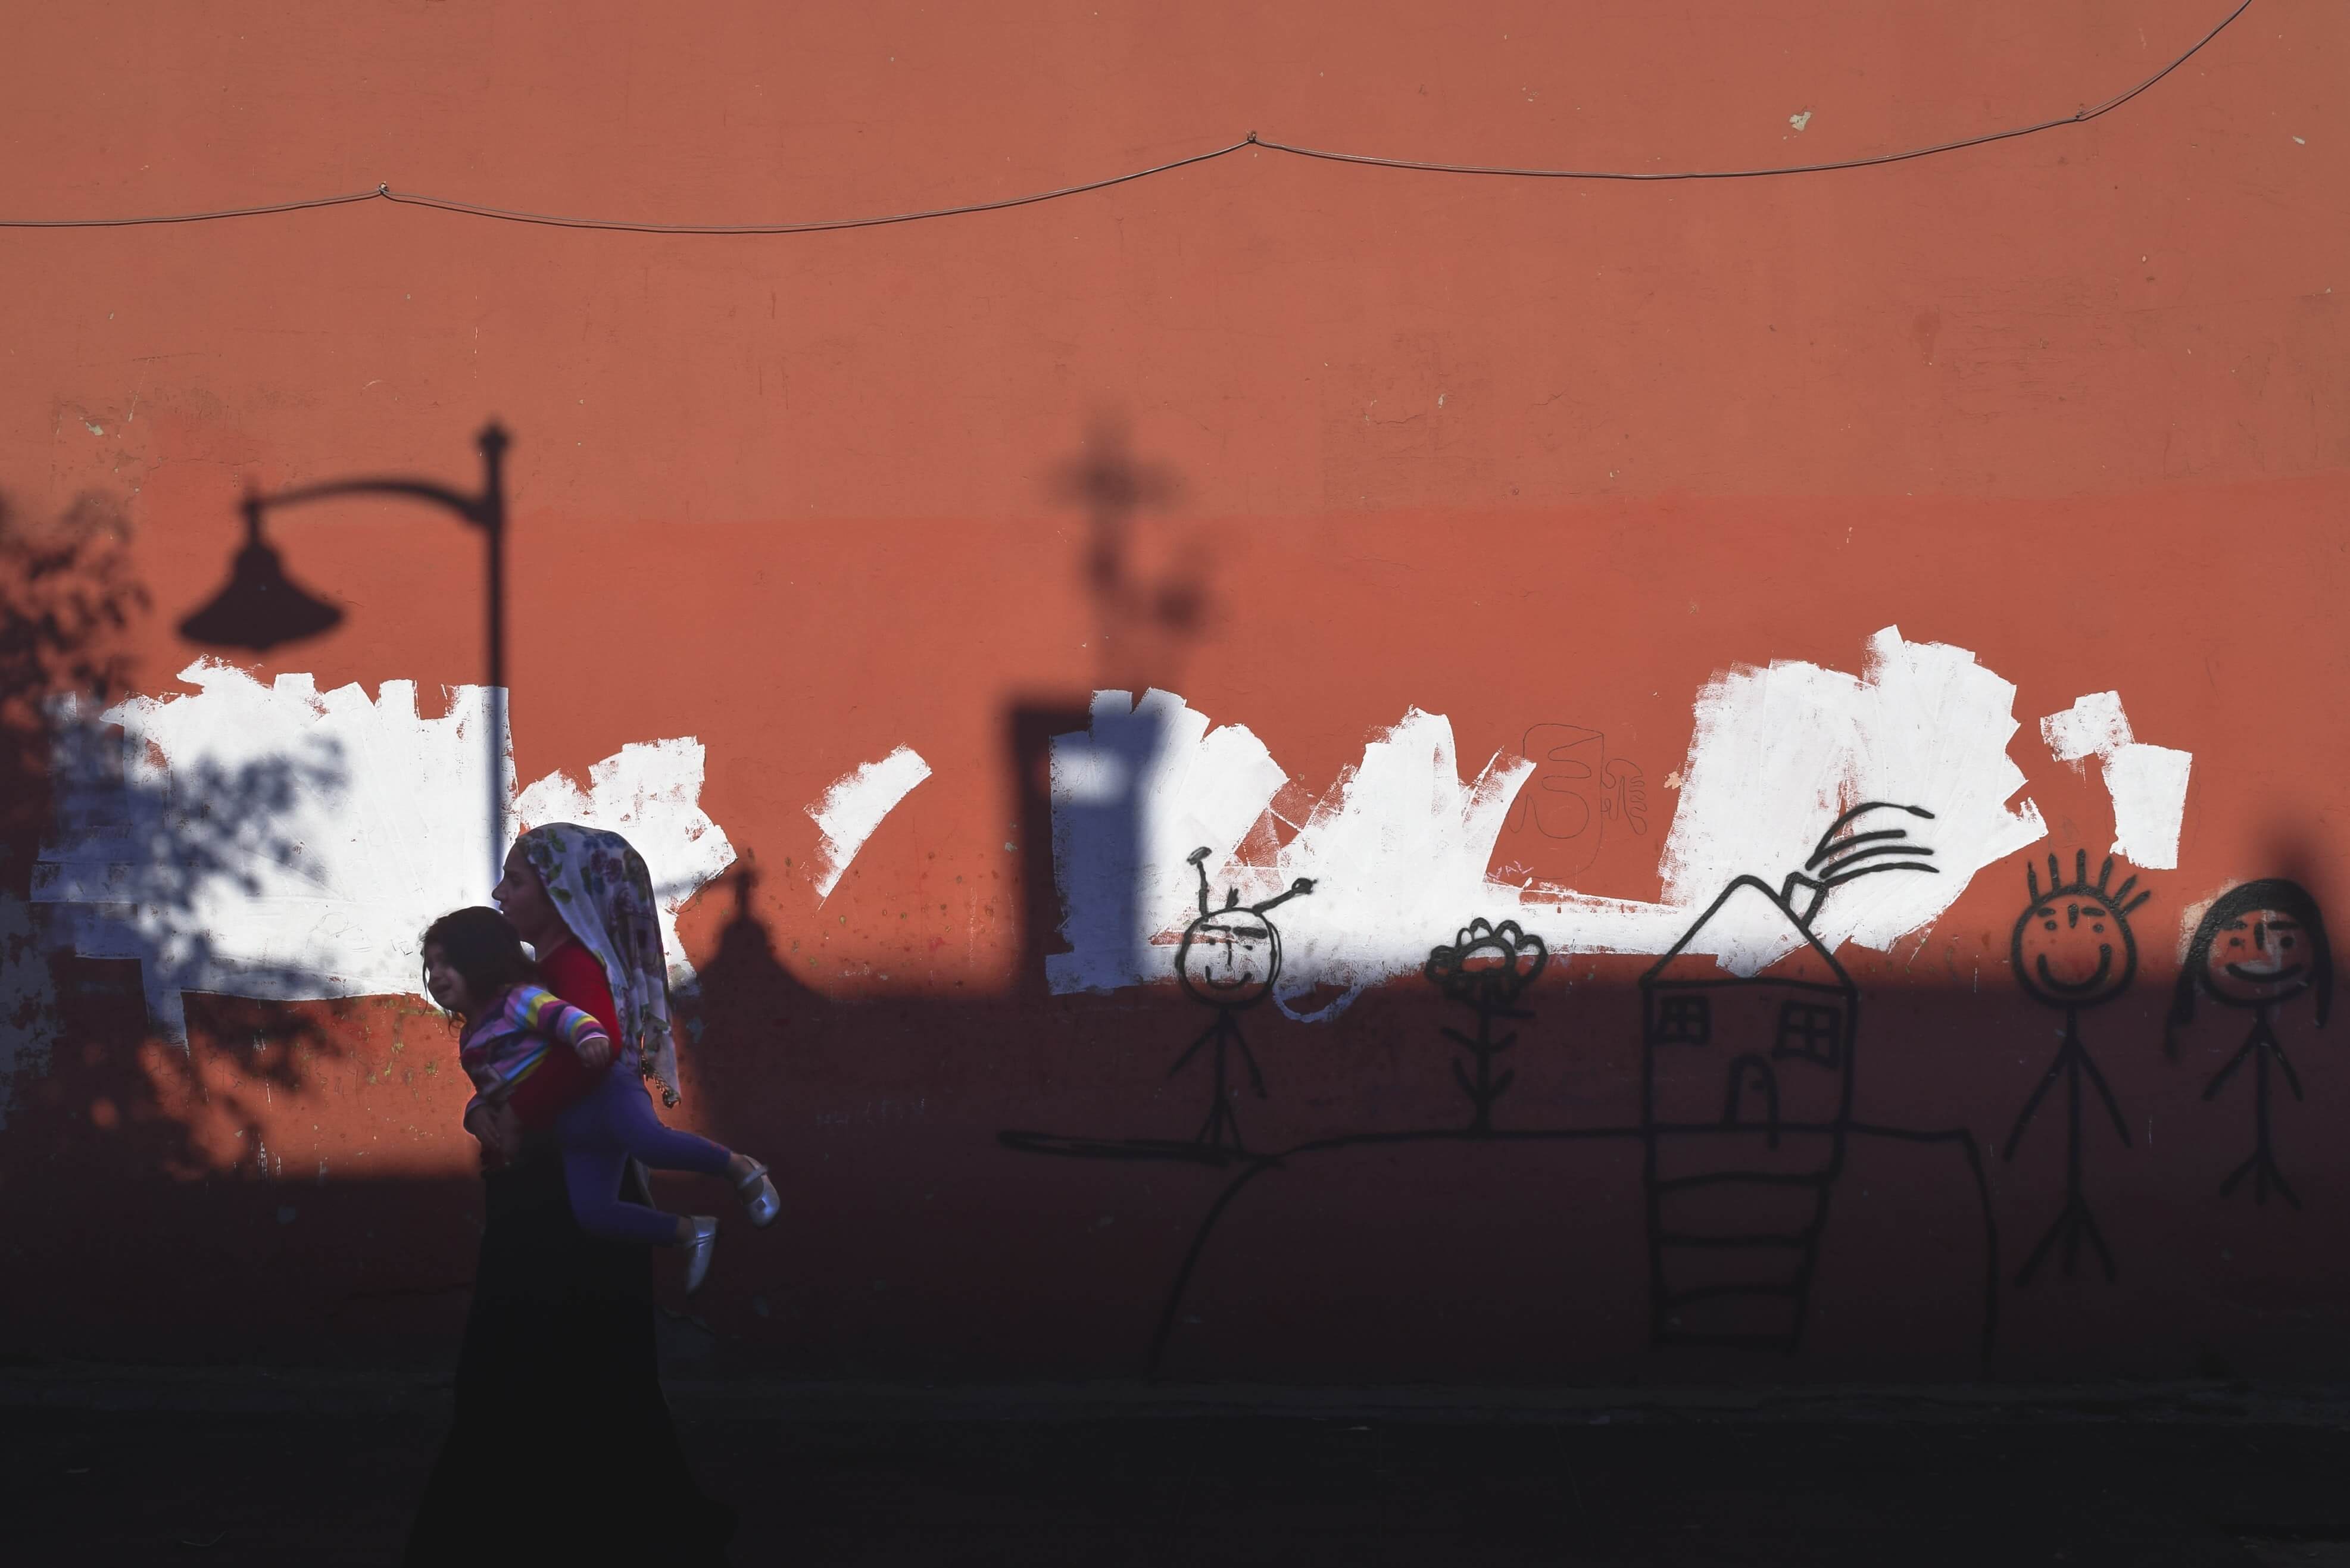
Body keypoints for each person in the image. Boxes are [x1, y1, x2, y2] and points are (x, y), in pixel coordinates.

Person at [405, 824, 748, 1564]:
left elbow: (591, 1057)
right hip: (559, 1183)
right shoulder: (549, 966)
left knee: (526, 1362)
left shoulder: (574, 967)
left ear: (562, 892)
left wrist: (511, 1114)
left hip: (554, 1195)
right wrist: (486, 1107)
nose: (500, 894)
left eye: (516, 881)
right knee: (587, 1367)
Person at [420, 904, 776, 1290]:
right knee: (594, 1212)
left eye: (447, 962)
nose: (435, 975)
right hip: (573, 1129)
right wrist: (475, 1111)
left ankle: (740, 1168)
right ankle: (690, 1232)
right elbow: (491, 1086)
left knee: (650, 1143)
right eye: (431, 965)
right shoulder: (470, 1037)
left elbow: (563, 1017)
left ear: (479, 959)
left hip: (605, 1094)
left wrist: (587, 1035)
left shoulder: (516, 1001)